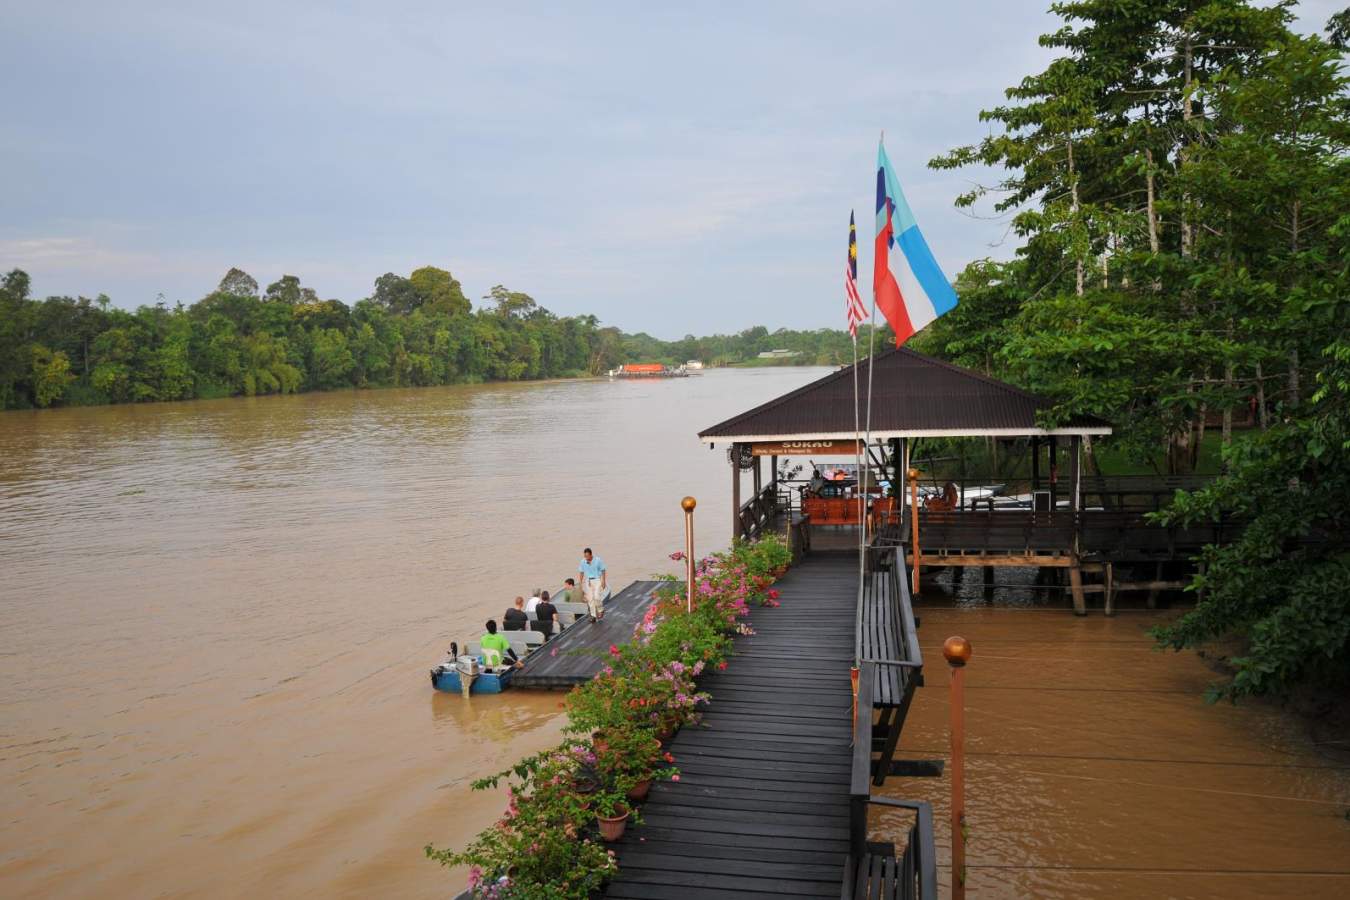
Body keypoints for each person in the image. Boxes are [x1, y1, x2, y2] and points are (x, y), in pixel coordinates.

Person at [577, 547, 608, 623]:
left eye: (587, 556)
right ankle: (593, 616)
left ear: (591, 555)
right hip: (588, 581)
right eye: (585, 556)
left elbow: (603, 570)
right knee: (590, 599)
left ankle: (601, 610)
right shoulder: (583, 561)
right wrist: (580, 582)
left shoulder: (598, 560)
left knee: (597, 597)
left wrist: (603, 581)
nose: (586, 558)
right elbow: (581, 572)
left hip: (597, 579)